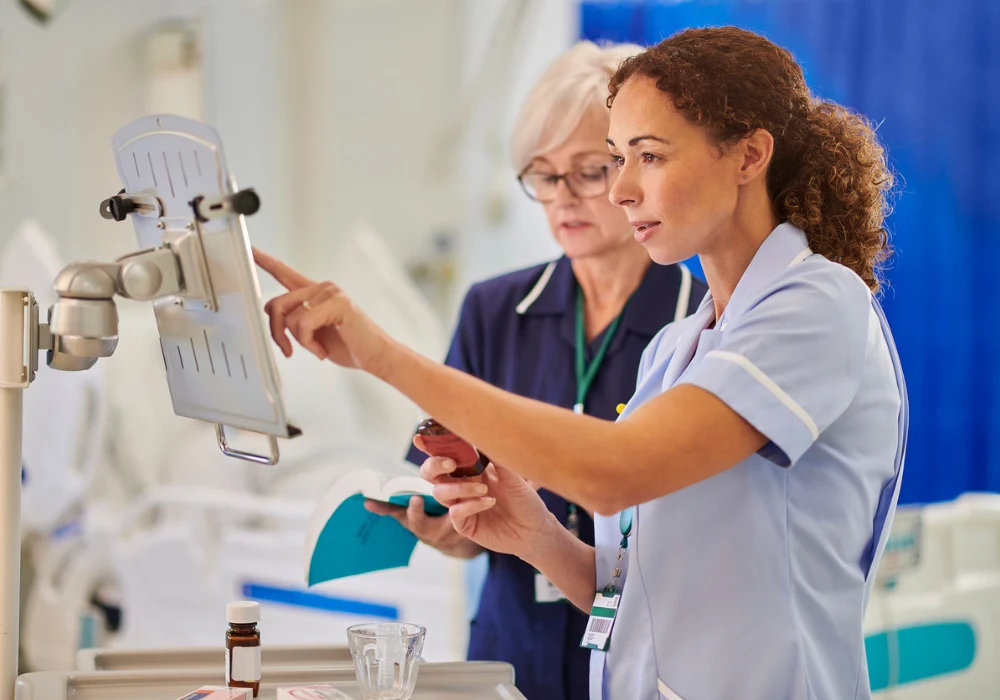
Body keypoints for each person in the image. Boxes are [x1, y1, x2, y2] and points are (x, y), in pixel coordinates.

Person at [254, 26, 907, 700]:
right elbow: (629, 591)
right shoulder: (679, 346)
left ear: (749, 155)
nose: (621, 191)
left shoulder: (818, 303)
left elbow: (614, 473)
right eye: (617, 159)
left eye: (647, 157)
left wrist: (382, 355)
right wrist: (534, 536)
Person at [365, 41, 705, 700]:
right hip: (509, 651)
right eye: (544, 176)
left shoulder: (700, 323)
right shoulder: (495, 311)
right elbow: (459, 503)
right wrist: (448, 527)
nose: (562, 199)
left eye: (588, 171)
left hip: (647, 660)